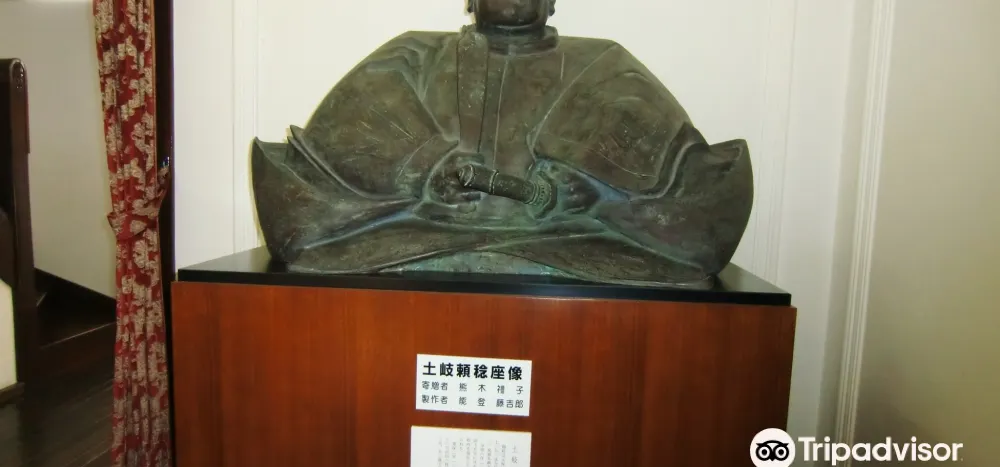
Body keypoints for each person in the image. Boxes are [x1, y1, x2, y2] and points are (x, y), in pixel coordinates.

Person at [251, 0, 753, 288]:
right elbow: (332, 158)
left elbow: (696, 199)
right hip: (417, 240)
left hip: (569, 248)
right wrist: (426, 173)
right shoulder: (413, 56)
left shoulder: (606, 67)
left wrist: (598, 197)